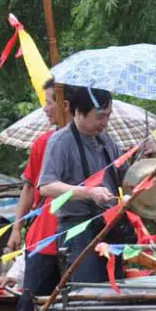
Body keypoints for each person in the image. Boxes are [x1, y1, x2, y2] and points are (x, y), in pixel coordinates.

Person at [6, 81, 69, 311]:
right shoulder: (44, 143)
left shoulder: (99, 145)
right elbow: (30, 187)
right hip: (44, 236)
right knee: (30, 302)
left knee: (70, 305)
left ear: (67, 105)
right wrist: (16, 227)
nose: (46, 108)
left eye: (50, 102)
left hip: (78, 238)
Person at [37, 85, 121, 286]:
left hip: (109, 226)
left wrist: (147, 157)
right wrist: (88, 192)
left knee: (114, 287)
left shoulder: (106, 139)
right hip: (77, 229)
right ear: (79, 112)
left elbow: (125, 174)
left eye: (108, 116)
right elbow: (46, 186)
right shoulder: (60, 141)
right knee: (86, 290)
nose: (104, 123)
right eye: (99, 116)